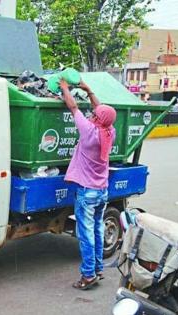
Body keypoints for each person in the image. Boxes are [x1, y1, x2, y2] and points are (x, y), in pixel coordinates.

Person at [59, 79, 117, 290]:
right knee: (97, 231)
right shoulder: (109, 132)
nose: (92, 115)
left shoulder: (89, 131)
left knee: (86, 236)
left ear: (97, 119)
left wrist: (65, 88)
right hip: (102, 191)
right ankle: (98, 269)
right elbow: (102, 113)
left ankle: (89, 275)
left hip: (87, 193)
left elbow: (73, 107)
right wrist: (90, 91)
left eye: (95, 114)